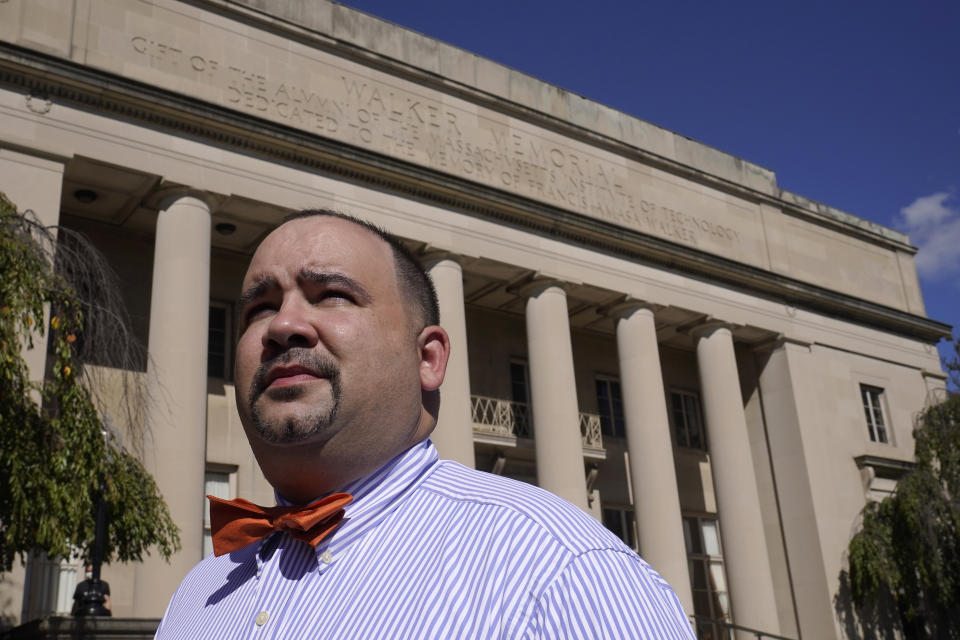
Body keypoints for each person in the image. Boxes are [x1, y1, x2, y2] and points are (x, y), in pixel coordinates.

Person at [156, 210, 695, 639]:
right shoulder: (201, 593)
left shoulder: (560, 573)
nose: (284, 325)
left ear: (429, 359)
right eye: (258, 308)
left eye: (332, 295)